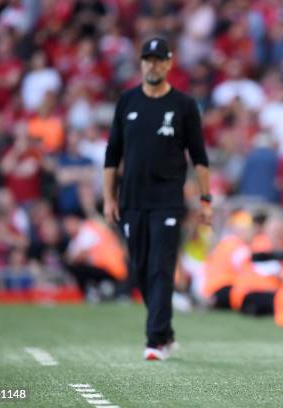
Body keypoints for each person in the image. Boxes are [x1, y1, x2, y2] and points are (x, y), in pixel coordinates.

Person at [103, 36, 211, 361]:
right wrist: (109, 198)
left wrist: (206, 200)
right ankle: (165, 331)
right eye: (147, 59)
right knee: (139, 268)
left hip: (167, 200)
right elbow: (112, 155)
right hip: (131, 201)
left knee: (161, 267)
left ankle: (155, 341)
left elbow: (200, 157)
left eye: (158, 59)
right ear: (142, 63)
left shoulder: (184, 105)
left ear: (168, 63)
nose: (152, 64)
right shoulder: (127, 102)